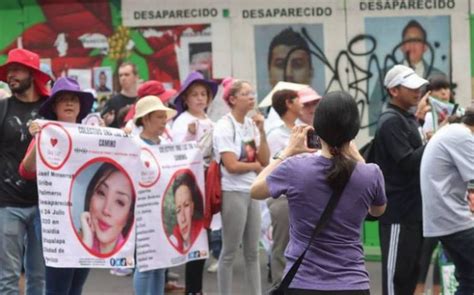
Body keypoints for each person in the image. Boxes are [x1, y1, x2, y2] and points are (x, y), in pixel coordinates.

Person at [250, 91, 387, 294]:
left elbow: (255, 190)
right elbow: (377, 211)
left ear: (318, 128)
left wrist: (286, 152)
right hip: (353, 283)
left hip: (303, 282)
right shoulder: (370, 173)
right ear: (354, 130)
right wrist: (357, 156)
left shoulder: (295, 168)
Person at [18, 77, 94, 295]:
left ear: (80, 106)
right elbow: (26, 171)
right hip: (54, 217)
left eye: (73, 99)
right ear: (54, 107)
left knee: (78, 282)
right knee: (57, 285)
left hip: (84, 214)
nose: (69, 103)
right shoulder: (46, 132)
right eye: (63, 100)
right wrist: (39, 141)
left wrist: (124, 136)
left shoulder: (93, 135)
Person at [372, 64, 431, 295]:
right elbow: (408, 162)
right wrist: (432, 143)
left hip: (413, 213)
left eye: (419, 87)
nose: (418, 92)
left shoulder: (408, 118)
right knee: (395, 279)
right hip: (398, 213)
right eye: (411, 87)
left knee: (410, 275)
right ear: (394, 90)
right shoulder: (391, 121)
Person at [0, 48, 51, 294]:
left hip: (45, 205)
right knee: (7, 279)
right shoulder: (2, 108)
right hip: (7, 205)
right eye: (9, 71)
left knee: (39, 278)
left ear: (32, 74)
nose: (11, 75)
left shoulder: (51, 110)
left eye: (17, 70)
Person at [214, 78, 269, 295]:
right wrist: (255, 165)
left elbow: (264, 158)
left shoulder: (250, 124)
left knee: (253, 252)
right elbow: (231, 165)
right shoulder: (223, 126)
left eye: (252, 92)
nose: (252, 96)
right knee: (229, 251)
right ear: (233, 99)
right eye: (246, 93)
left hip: (252, 191)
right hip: (233, 192)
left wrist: (262, 131)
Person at [265, 86, 321, 284]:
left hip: (303, 196)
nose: (303, 105)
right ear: (288, 104)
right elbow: (273, 167)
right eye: (299, 100)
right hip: (282, 198)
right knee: (281, 245)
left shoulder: (303, 128)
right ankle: (279, 285)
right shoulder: (275, 132)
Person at [171, 71, 218, 294]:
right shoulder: (182, 122)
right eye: (195, 94)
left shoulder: (210, 121)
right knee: (195, 235)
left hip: (209, 182)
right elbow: (174, 155)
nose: (200, 98)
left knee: (204, 236)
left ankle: (196, 288)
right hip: (191, 185)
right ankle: (192, 288)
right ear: (185, 99)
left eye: (203, 94)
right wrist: (189, 136)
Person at [420, 107, 474, 295]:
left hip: (445, 217)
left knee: (469, 279)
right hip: (453, 219)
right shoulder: (462, 135)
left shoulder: (453, 131)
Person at [132, 95, 177, 295]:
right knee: (145, 264)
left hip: (164, 211)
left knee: (161, 263)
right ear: (145, 119)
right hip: (142, 212)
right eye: (159, 117)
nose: (163, 121)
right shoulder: (133, 145)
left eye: (164, 117)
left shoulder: (166, 144)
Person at [369, 19, 446, 132]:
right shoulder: (385, 74)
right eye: (408, 40)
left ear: (425, 46)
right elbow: (373, 111)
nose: (412, 45)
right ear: (402, 46)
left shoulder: (438, 75)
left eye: (417, 40)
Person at [80, 162, 135, 256]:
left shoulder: (129, 255)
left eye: (120, 202)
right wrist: (86, 245)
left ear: (128, 218)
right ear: (90, 197)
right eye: (101, 193)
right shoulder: (75, 241)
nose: (106, 210)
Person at [169, 172, 204, 254]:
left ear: (192, 207)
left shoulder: (202, 230)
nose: (183, 218)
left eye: (186, 205)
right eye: (178, 210)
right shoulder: (174, 238)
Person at [102, 62, 139, 128]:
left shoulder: (142, 100)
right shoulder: (112, 102)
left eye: (126, 75)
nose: (123, 78)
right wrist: (106, 123)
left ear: (136, 77)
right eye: (120, 75)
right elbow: (102, 125)